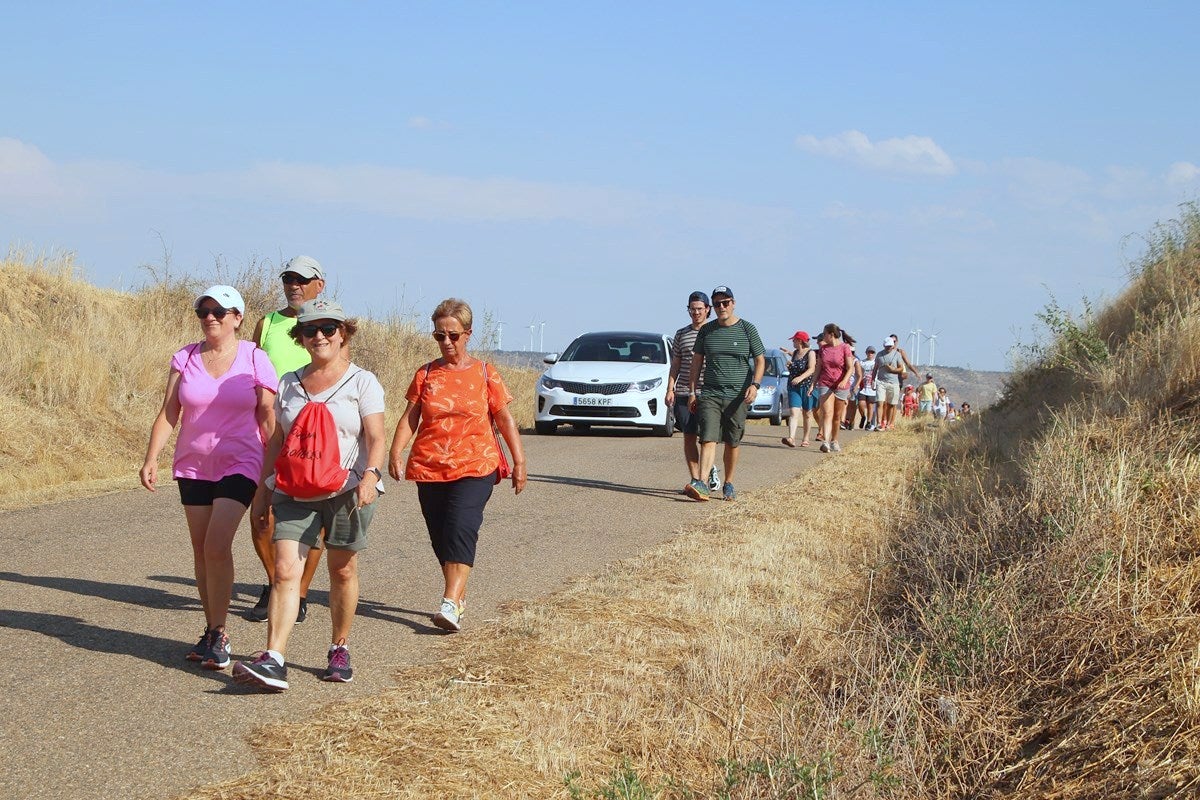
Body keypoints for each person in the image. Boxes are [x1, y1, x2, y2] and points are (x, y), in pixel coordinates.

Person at [233, 299, 386, 691]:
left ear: (343, 334)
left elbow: (376, 436)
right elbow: (277, 441)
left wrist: (370, 476)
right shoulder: (288, 383)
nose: (319, 336)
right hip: (294, 489)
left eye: (328, 329)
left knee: (342, 570)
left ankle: (339, 646)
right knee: (285, 570)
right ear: (299, 338)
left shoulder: (362, 381)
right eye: (310, 330)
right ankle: (274, 657)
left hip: (347, 490)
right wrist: (263, 490)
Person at [140, 285, 277, 670]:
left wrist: (275, 465)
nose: (210, 317)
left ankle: (220, 634)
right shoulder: (185, 357)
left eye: (220, 311)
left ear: (238, 318)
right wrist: (151, 457)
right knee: (202, 551)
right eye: (204, 311)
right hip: (193, 465)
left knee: (217, 544)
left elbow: (268, 416)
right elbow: (169, 412)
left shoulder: (254, 357)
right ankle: (212, 628)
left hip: (242, 461)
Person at [387, 298, 527, 633]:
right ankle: (457, 596)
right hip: (430, 466)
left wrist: (519, 461)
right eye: (439, 336)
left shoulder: (484, 373)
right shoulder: (426, 373)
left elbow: (504, 419)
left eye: (453, 335)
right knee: (441, 537)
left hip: (476, 464)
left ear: (468, 334)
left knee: (462, 526)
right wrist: (396, 451)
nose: (446, 342)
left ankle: (449, 602)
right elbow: (410, 418)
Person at [244, 255, 327, 624]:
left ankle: (301, 592)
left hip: (313, 435)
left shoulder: (327, 326)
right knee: (261, 515)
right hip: (267, 431)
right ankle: (277, 582)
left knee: (313, 521)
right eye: (288, 279)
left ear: (318, 285)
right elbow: (249, 370)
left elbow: (341, 378)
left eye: (302, 280)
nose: (294, 285)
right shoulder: (268, 323)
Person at [685, 286, 765, 501]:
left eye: (726, 302)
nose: (722, 307)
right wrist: (693, 391)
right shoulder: (707, 330)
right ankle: (701, 483)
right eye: (718, 303)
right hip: (710, 393)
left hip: (738, 396)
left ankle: (728, 482)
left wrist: (755, 385)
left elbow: (760, 360)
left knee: (732, 441)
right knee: (708, 437)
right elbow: (697, 362)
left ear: (733, 303)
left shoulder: (747, 329)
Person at [666, 292, 720, 491]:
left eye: (699, 309)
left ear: (708, 309)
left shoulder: (715, 332)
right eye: (692, 309)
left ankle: (706, 475)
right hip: (683, 391)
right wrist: (670, 388)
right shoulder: (681, 334)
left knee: (707, 436)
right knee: (689, 436)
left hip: (709, 392)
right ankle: (696, 479)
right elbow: (676, 363)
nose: (695, 312)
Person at [814, 324, 853, 453]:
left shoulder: (844, 347)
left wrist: (844, 380)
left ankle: (834, 440)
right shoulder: (823, 349)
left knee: (837, 416)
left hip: (841, 385)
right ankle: (825, 441)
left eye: (824, 333)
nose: (823, 336)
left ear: (831, 334)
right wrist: (813, 383)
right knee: (827, 413)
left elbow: (850, 367)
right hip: (825, 383)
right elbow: (818, 367)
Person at [780, 331, 817, 447]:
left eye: (794, 340)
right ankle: (791, 438)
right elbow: (797, 364)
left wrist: (800, 378)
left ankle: (806, 438)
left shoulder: (811, 353)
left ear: (800, 341)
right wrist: (790, 365)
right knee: (793, 413)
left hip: (806, 386)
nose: (792, 342)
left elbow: (811, 369)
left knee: (807, 413)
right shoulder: (795, 353)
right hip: (793, 387)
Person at [872, 336, 907, 431]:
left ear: (893, 346)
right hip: (881, 382)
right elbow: (875, 368)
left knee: (891, 404)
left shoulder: (897, 355)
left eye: (890, 346)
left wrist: (893, 369)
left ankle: (888, 424)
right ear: (884, 346)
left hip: (894, 382)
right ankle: (879, 423)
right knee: (880, 402)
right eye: (887, 346)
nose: (888, 348)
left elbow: (901, 368)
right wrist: (872, 380)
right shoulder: (879, 355)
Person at [857, 345, 878, 430]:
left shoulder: (876, 363)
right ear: (866, 353)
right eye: (869, 352)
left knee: (870, 406)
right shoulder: (862, 362)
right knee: (860, 404)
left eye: (872, 352)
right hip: (863, 387)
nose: (870, 354)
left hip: (872, 388)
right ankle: (863, 416)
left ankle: (869, 422)